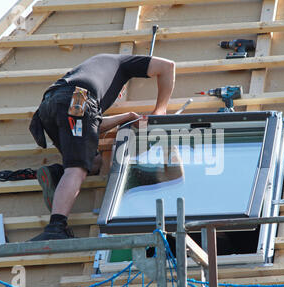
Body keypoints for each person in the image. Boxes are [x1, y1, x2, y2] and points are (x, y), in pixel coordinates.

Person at [28, 54, 175, 241]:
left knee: (93, 161)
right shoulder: (123, 64)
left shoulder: (93, 69)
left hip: (50, 105)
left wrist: (127, 116)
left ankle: (57, 174)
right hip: (77, 101)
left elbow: (90, 123)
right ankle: (56, 227)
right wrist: (159, 111)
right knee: (77, 168)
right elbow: (167, 66)